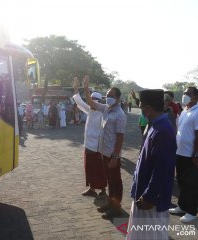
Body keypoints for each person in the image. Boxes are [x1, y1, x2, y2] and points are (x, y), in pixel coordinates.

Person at [126, 89, 177, 240]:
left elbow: (162, 170)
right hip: (143, 193)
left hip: (150, 201)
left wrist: (149, 197)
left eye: (141, 106)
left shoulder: (163, 131)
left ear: (147, 108)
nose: (140, 109)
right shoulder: (154, 125)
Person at [83, 75, 127, 220]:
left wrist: (115, 157)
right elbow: (91, 103)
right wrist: (86, 88)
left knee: (115, 181)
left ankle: (116, 208)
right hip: (104, 153)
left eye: (112, 96)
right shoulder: (107, 109)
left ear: (118, 98)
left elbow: (120, 137)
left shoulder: (119, 114)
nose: (108, 98)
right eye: (107, 95)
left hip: (112, 155)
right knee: (109, 180)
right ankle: (110, 203)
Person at [169, 87, 198, 223]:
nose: (185, 95)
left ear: (195, 97)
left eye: (188, 94)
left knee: (192, 185)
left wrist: (195, 154)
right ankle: (182, 206)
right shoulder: (185, 110)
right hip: (180, 153)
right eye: (184, 93)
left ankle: (191, 212)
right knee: (182, 182)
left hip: (192, 156)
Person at [72, 77, 106, 198]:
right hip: (88, 144)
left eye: (93, 101)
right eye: (90, 100)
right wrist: (76, 88)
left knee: (99, 169)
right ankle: (92, 189)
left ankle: (103, 189)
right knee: (89, 168)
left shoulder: (103, 112)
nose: (91, 102)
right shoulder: (90, 110)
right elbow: (80, 102)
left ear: (98, 102)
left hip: (97, 146)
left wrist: (85, 88)